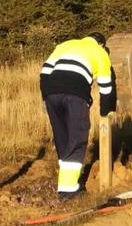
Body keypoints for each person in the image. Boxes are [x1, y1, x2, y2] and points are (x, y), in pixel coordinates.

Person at [40, 32, 116, 200]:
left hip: (52, 93)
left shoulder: (66, 45)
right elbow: (106, 87)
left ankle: (66, 181)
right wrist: (106, 112)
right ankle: (68, 192)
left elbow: (45, 72)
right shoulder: (100, 53)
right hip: (75, 95)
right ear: (101, 44)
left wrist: (46, 97)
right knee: (77, 137)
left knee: (63, 137)